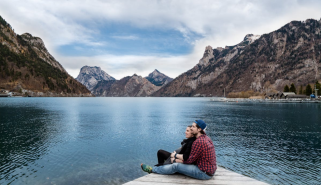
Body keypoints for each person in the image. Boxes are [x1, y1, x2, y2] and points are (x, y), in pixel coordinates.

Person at [141, 120, 217, 180]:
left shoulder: (198, 142)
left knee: (176, 166)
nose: (192, 128)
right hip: (209, 170)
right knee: (175, 163)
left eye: (193, 127)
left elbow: (189, 160)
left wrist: (175, 160)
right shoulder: (206, 138)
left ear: (199, 129)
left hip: (203, 173)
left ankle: (152, 170)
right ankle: (159, 169)